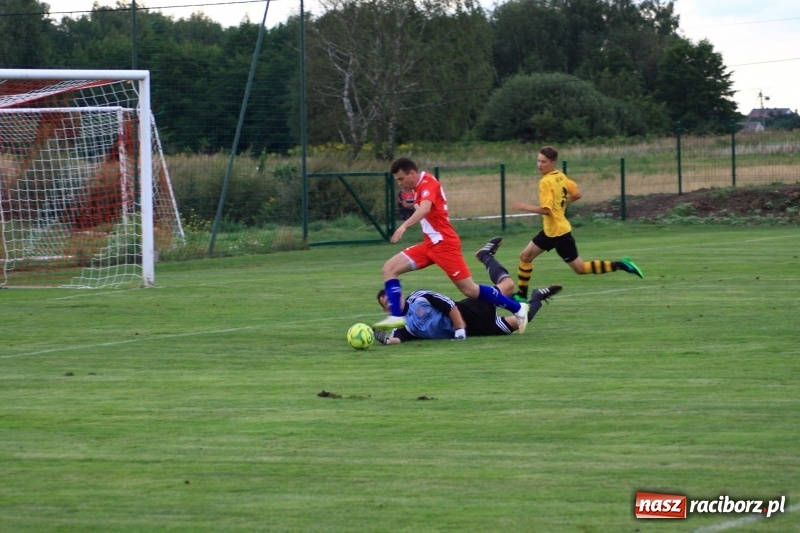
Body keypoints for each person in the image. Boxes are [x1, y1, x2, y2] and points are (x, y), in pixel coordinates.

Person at [374, 158, 530, 333]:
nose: (399, 183)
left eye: (401, 179)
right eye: (397, 180)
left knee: (470, 290)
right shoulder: (418, 188)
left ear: (412, 173)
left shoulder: (428, 183)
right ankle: (396, 315)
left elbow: (425, 209)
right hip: (429, 245)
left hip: (444, 244)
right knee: (389, 269)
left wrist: (404, 226)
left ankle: (517, 308)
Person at [511, 145, 644, 301]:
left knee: (580, 269)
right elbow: (576, 194)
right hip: (550, 231)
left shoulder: (545, 182)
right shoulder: (560, 176)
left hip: (559, 234)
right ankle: (521, 296)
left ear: (552, 162)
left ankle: (623, 265)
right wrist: (560, 205)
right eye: (538, 161)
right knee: (525, 256)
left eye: (543, 162)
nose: (539, 165)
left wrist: (524, 207)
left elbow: (546, 210)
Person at [374, 237, 562, 344]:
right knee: (521, 321)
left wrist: (459, 329)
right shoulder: (403, 325)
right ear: (385, 309)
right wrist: (385, 340)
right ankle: (538, 296)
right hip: (476, 330)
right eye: (387, 303)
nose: (392, 302)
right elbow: (397, 339)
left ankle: (485, 255)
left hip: (470, 310)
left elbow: (449, 306)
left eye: (392, 297)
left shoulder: (419, 298)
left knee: (508, 286)